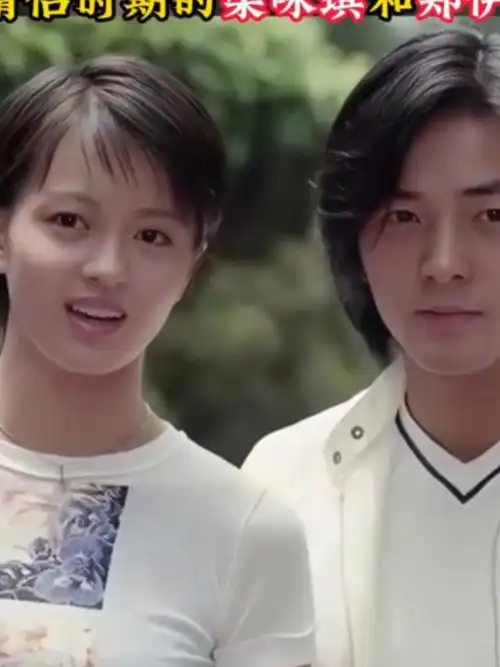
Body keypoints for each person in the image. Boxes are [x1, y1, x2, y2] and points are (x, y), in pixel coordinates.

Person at [0, 55, 315, 666]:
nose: (108, 268)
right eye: (69, 221)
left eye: (152, 236)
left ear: (191, 268)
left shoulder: (244, 531)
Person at [243, 27, 500, 667]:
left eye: (493, 216)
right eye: (404, 217)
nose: (444, 264)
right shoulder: (279, 488)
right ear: (353, 242)